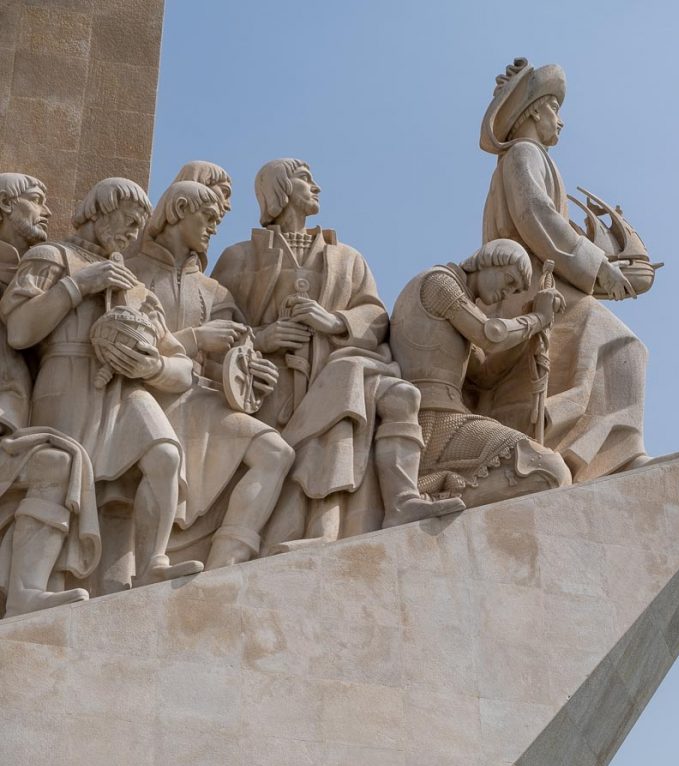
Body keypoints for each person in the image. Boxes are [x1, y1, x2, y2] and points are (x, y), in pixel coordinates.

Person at [212, 159, 462, 550]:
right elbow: (214, 326)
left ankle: (401, 500)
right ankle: (309, 533)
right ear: (279, 189)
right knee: (314, 435)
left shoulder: (347, 257)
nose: (317, 187)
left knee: (399, 395)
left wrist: (334, 321)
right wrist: (263, 337)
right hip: (273, 386)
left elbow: (375, 315)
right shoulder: (239, 257)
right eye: (305, 179)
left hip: (338, 367)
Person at [1, 177, 202, 592]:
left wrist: (154, 366)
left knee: (165, 455)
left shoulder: (135, 285)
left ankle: (153, 563)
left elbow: (182, 367)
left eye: (138, 226)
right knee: (69, 480)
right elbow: (20, 331)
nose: (133, 233)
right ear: (101, 210)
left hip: (127, 386)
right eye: (128, 220)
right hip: (66, 379)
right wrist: (79, 284)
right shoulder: (50, 256)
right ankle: (38, 587)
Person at [479, 58, 657, 482]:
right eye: (554, 108)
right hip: (528, 287)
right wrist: (599, 269)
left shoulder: (534, 158)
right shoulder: (523, 153)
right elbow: (537, 218)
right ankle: (613, 453)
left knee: (616, 342)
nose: (560, 120)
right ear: (534, 111)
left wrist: (603, 265)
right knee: (622, 343)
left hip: (549, 282)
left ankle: (599, 448)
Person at [127, 181, 294, 568]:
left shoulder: (215, 292)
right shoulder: (131, 274)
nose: (214, 228)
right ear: (179, 210)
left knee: (276, 453)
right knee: (162, 460)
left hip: (199, 399)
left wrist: (253, 374)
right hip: (145, 393)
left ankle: (223, 566)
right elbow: (127, 345)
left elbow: (229, 360)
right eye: (208, 217)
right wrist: (196, 337)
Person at [391, 239, 571, 506]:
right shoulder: (439, 283)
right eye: (509, 280)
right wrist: (537, 319)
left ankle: (440, 496)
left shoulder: (462, 311)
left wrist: (531, 328)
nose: (507, 293)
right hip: (432, 421)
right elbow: (490, 335)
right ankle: (435, 498)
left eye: (515, 290)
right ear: (490, 260)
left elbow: (485, 375)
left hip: (449, 420)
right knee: (548, 469)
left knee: (550, 473)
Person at [0, 173, 100, 615]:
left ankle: (25, 592)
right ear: (5, 205)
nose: (48, 211)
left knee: (59, 463)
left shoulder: (32, 269)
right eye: (36, 199)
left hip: (13, 423)